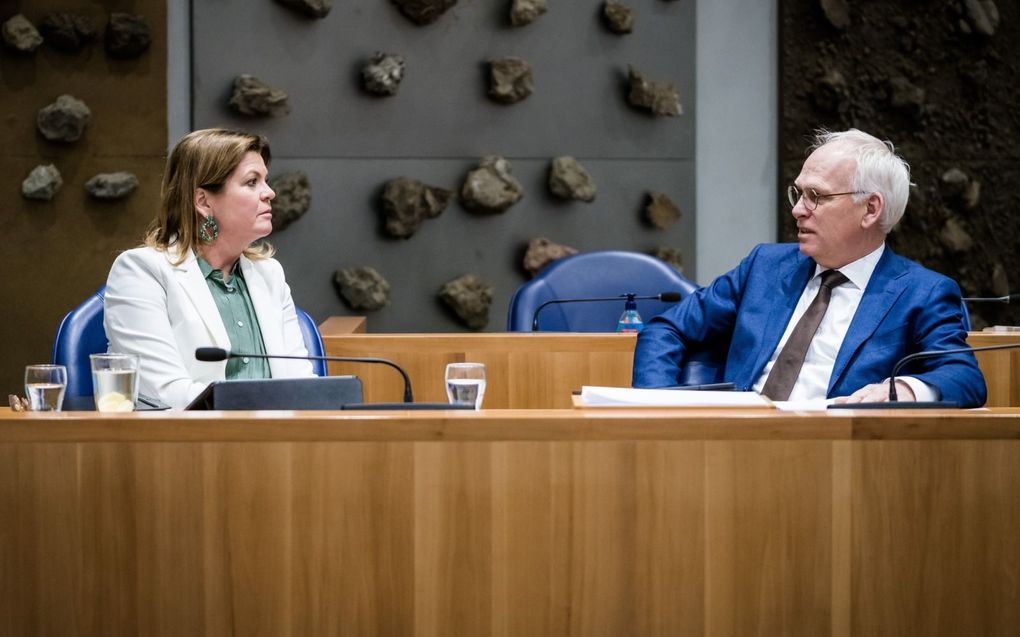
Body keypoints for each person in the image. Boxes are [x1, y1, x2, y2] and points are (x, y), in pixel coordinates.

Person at [633, 129, 986, 407]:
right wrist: (660, 408)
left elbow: (964, 377)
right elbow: (668, 329)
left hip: (836, 462)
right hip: (734, 444)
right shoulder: (765, 267)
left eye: (816, 196)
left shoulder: (921, 293)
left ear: (871, 209)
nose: (798, 210)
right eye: (798, 194)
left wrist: (903, 390)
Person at [104, 128, 313, 408]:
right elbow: (167, 391)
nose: (270, 193)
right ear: (203, 201)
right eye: (252, 182)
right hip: (187, 444)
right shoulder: (142, 271)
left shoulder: (269, 274)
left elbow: (301, 383)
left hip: (277, 442)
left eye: (266, 180)